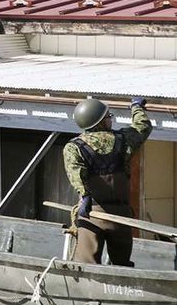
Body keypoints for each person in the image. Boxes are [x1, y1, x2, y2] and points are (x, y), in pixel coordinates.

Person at [63, 97, 152, 266]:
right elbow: (143, 126)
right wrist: (136, 107)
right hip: (121, 217)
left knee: (86, 265)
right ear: (101, 122)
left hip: (91, 213)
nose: (111, 119)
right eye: (108, 116)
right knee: (122, 265)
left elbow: (75, 173)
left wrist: (85, 194)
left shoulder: (74, 147)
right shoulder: (124, 139)